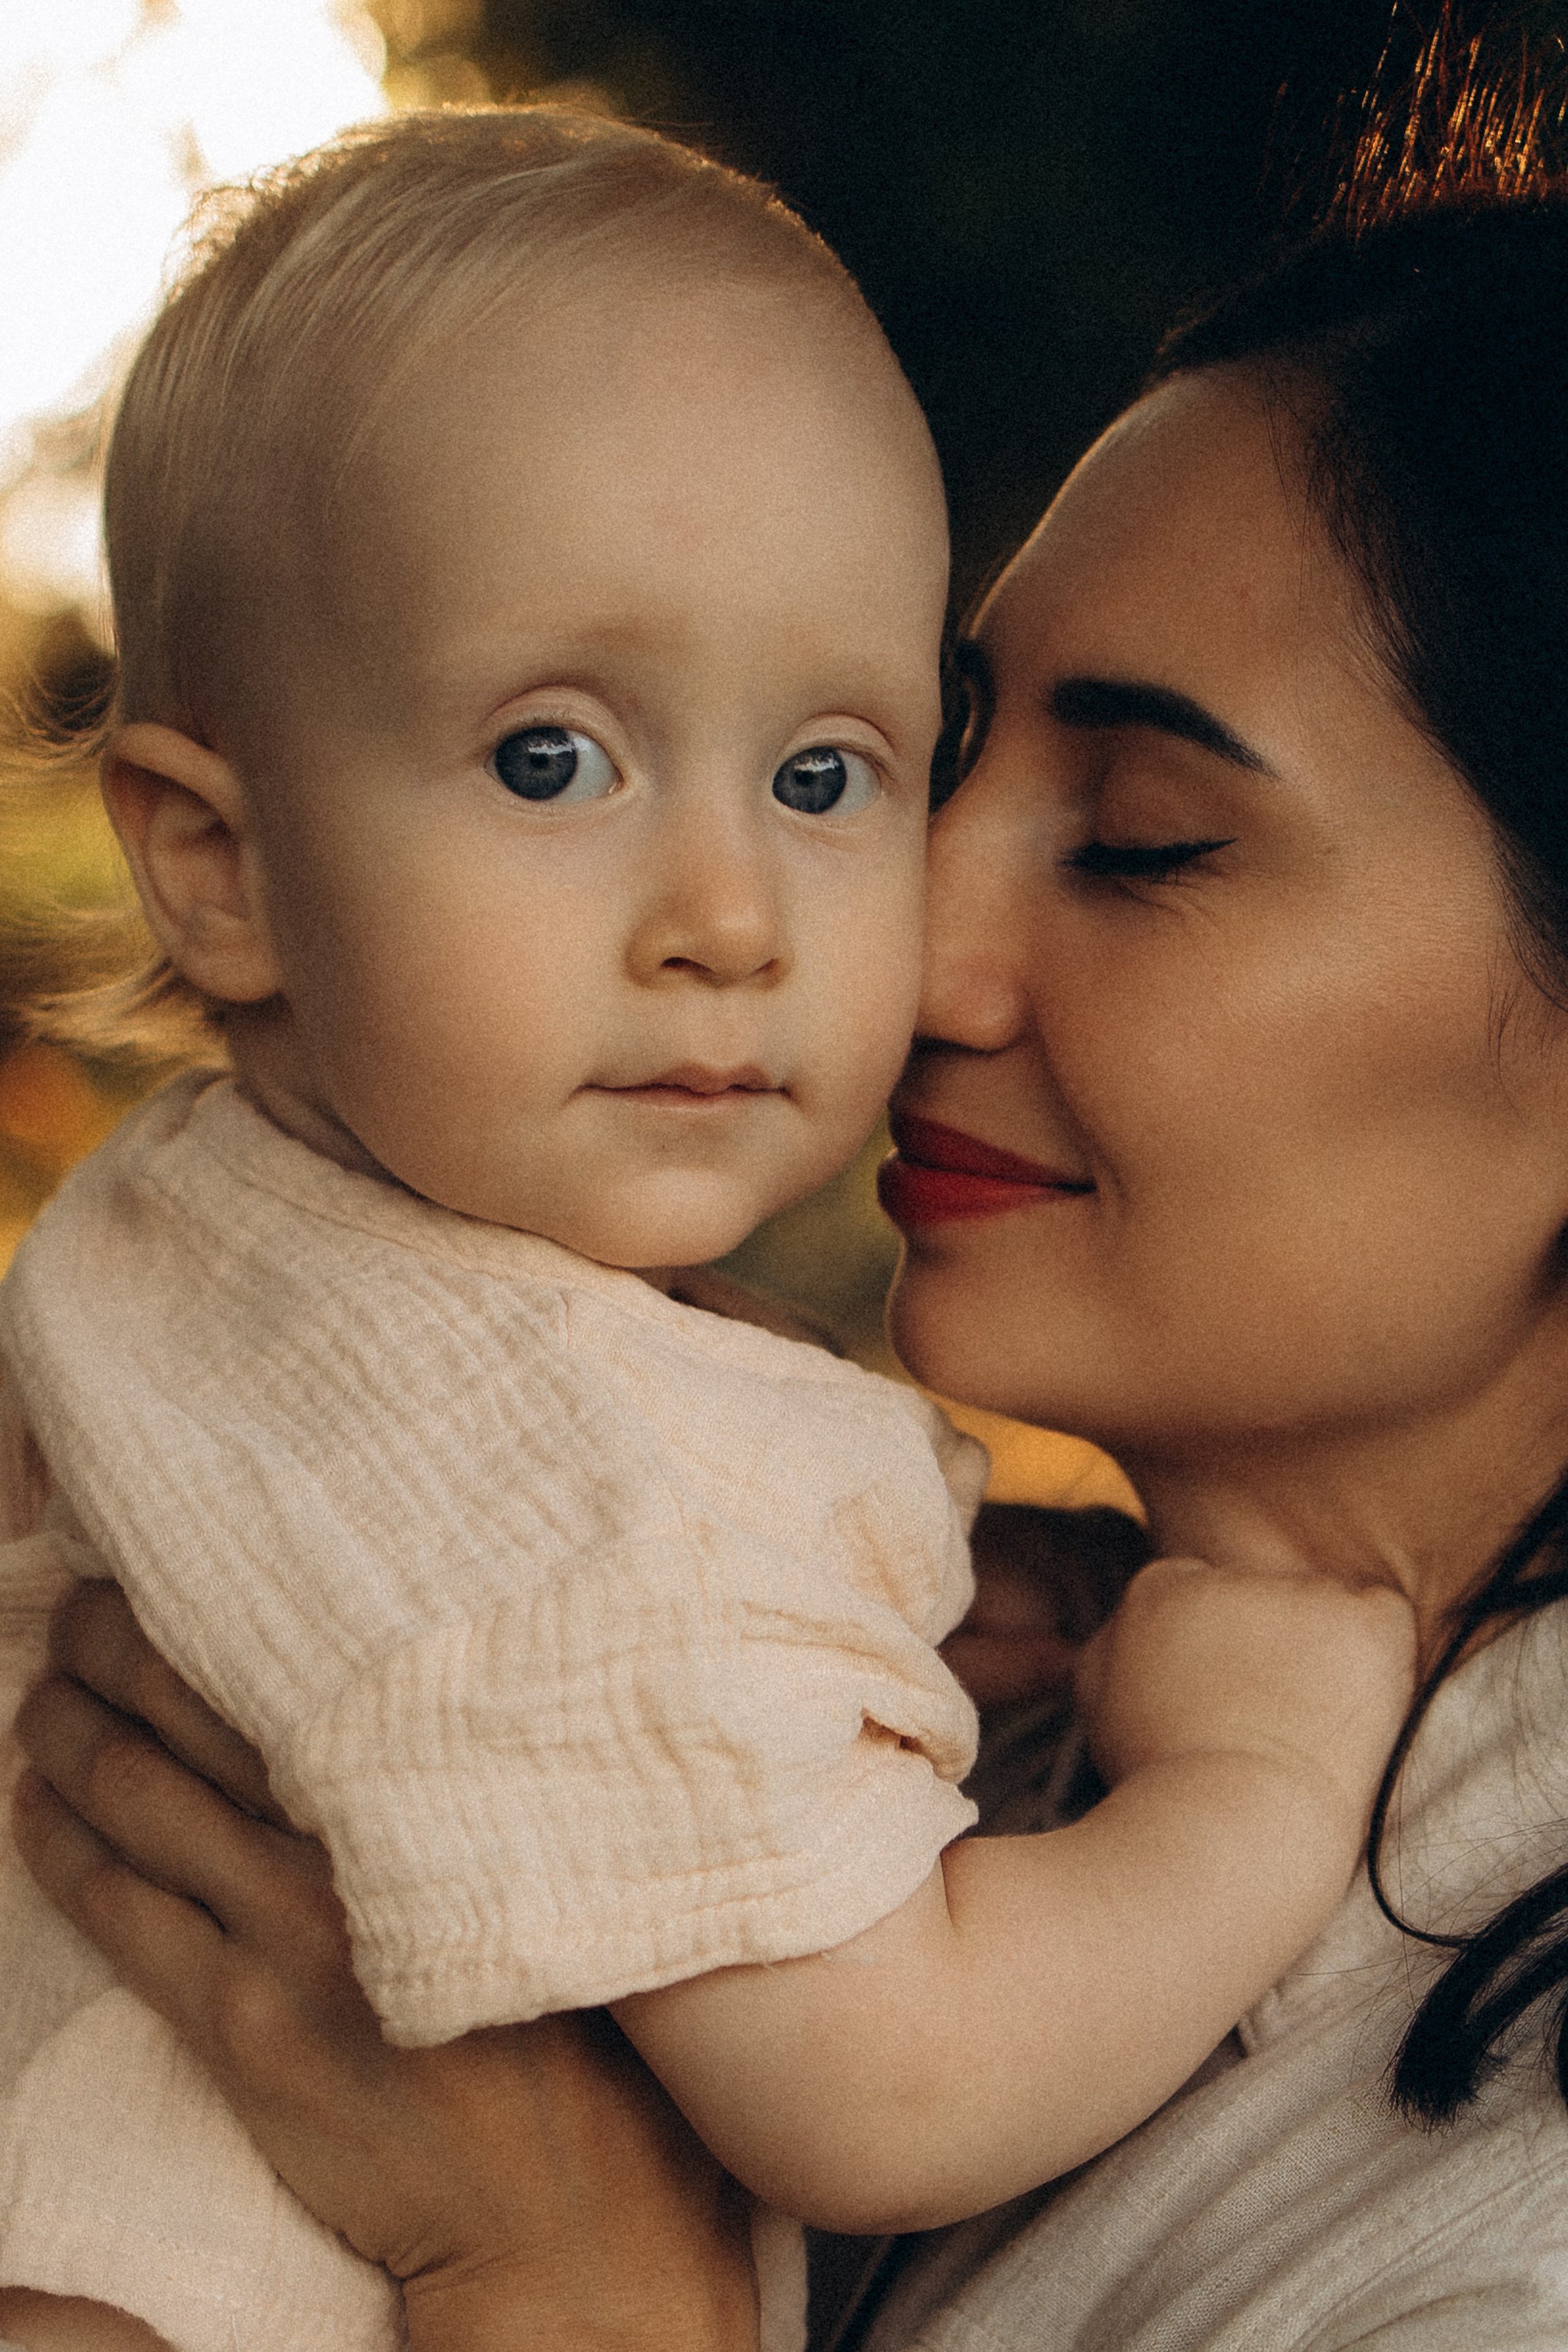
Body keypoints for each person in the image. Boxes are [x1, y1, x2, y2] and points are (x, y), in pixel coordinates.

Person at [0, 102, 1413, 2352]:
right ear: (212, 861)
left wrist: (902, 1600)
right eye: (555, 760)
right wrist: (1255, 1787)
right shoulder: (582, 1451)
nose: (733, 917)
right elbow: (892, 2086)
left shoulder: (222, 1237)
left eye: (833, 771)